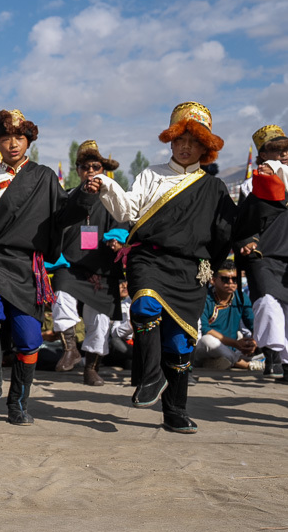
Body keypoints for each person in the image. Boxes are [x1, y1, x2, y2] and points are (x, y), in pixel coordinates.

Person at [85, 102, 236, 433]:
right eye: (179, 140)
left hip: (191, 269)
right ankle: (151, 377)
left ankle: (175, 411)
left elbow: (226, 233)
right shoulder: (150, 174)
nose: (184, 147)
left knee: (180, 344)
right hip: (148, 257)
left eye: (193, 142)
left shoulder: (215, 188)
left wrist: (212, 262)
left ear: (205, 147)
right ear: (170, 141)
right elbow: (127, 212)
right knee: (144, 305)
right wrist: (108, 186)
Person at [0, 110, 90, 425]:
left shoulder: (44, 176)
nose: (13, 144)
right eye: (5, 138)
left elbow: (62, 216)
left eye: (19, 137)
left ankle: (18, 403)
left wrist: (84, 197)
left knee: (29, 339)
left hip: (27, 263)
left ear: (28, 140)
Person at [49, 141, 127, 385]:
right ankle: (70, 349)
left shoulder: (114, 197)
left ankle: (92, 368)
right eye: (85, 167)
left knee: (101, 320)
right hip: (70, 263)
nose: (91, 171)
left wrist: (116, 239)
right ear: (78, 170)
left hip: (101, 267)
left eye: (96, 166)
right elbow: (56, 225)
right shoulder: (67, 196)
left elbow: (124, 220)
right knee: (61, 297)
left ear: (103, 169)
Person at [234, 135, 288, 383]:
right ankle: (273, 357)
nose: (284, 156)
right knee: (267, 303)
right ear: (264, 156)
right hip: (265, 255)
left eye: (287, 151)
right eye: (278, 152)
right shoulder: (254, 186)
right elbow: (244, 221)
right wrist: (247, 241)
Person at [195, 261, 257, 370]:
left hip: (231, 347)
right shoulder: (204, 298)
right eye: (225, 279)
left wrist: (253, 342)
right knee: (207, 340)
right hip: (205, 348)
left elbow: (253, 325)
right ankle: (246, 365)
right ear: (213, 280)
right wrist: (235, 344)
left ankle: (218, 362)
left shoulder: (241, 297)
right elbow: (205, 329)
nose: (231, 283)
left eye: (235, 279)